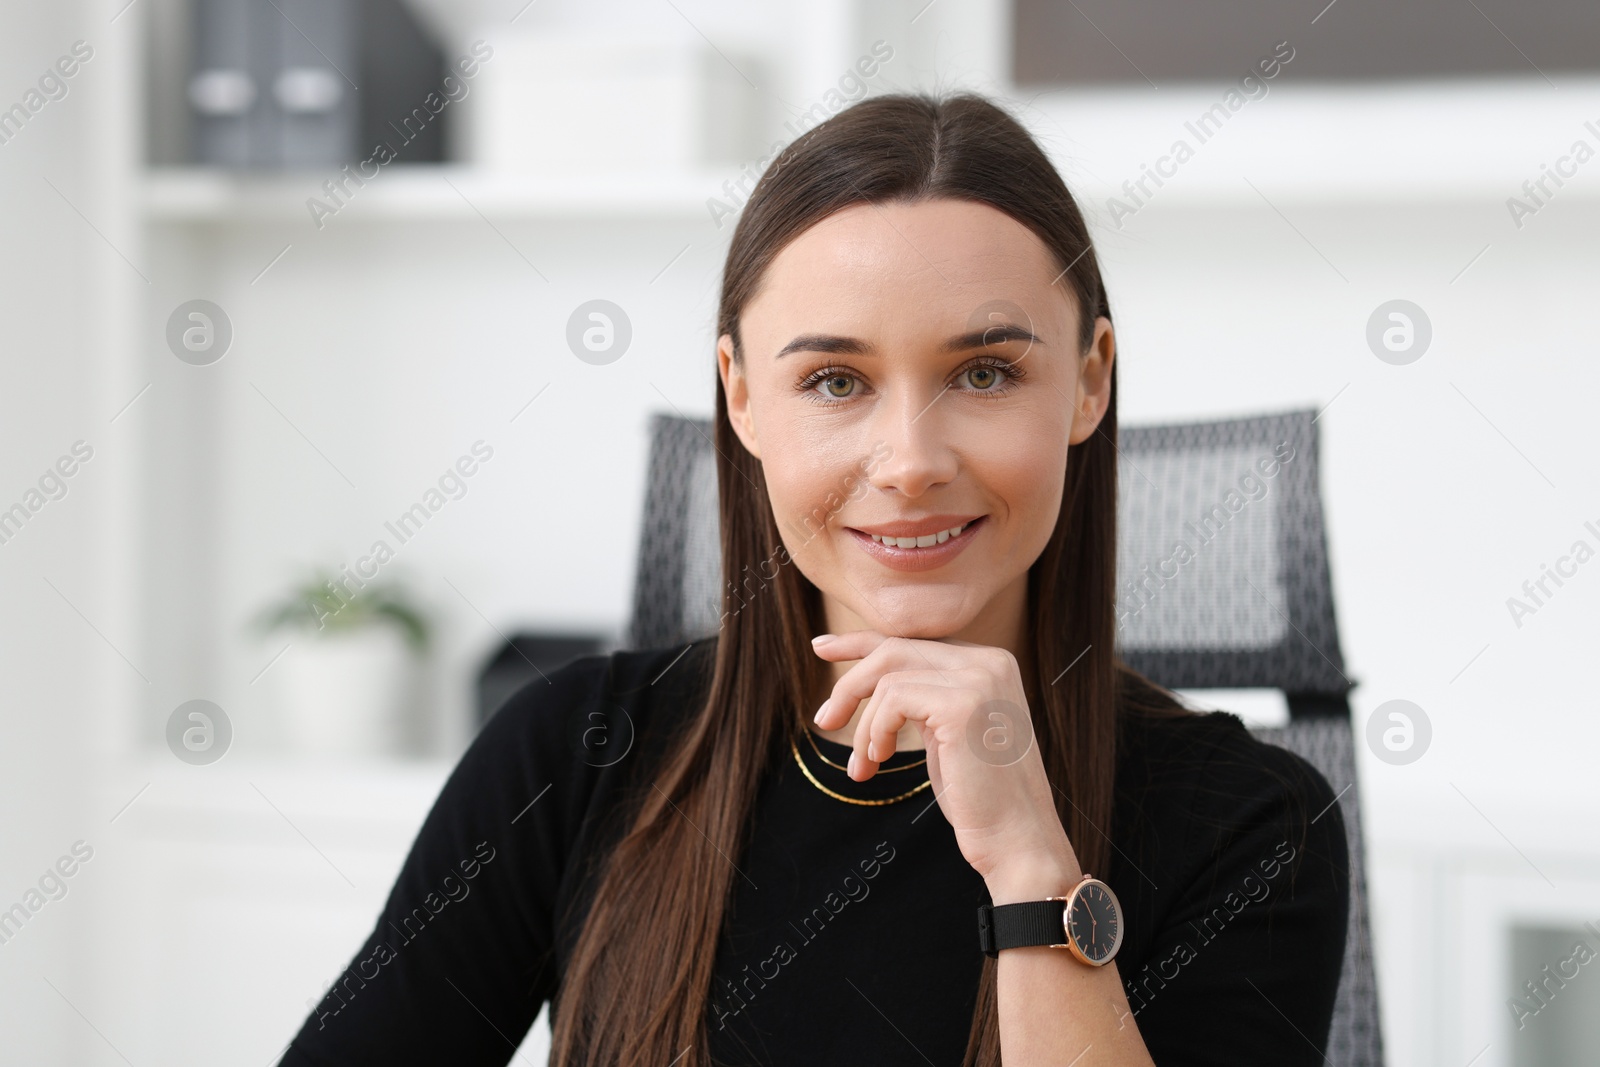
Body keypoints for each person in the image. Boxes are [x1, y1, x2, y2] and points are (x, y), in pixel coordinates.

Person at [281, 91, 1348, 1067]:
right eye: (834, 380)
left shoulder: (1251, 823)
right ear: (742, 397)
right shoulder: (572, 753)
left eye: (984, 372)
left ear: (1086, 381)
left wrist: (1032, 866)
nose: (910, 460)